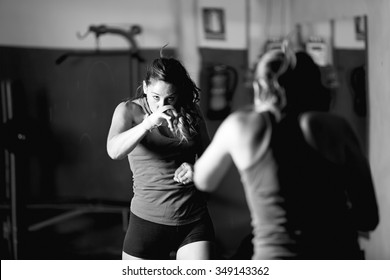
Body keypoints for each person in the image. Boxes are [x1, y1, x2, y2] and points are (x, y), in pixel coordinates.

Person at [194, 46, 379, 259]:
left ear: (261, 85)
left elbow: (203, 180)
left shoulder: (241, 126)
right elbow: (368, 218)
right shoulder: (336, 127)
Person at [107, 52, 214, 260]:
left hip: (193, 219)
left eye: (170, 98)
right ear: (146, 87)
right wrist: (148, 124)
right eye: (156, 97)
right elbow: (114, 151)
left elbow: (209, 156)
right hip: (147, 221)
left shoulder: (191, 111)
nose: (162, 104)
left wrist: (197, 170)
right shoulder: (129, 111)